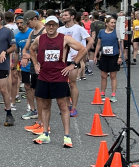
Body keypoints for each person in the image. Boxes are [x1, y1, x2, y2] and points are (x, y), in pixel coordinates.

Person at [30, 16, 86, 148]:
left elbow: (82, 49)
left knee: (63, 106)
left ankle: (67, 136)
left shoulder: (64, 38)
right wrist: (35, 64)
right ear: (45, 26)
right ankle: (45, 134)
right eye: (48, 25)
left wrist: (73, 64)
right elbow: (31, 49)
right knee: (45, 105)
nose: (50, 27)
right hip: (44, 76)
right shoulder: (40, 38)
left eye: (53, 25)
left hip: (59, 76)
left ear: (57, 26)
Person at [58, 8, 92, 117]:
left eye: (66, 15)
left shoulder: (78, 28)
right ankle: (67, 105)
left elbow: (91, 41)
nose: (63, 17)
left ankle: (74, 107)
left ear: (72, 16)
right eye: (63, 15)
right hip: (62, 60)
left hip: (74, 60)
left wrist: (81, 53)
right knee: (63, 84)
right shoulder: (60, 29)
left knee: (72, 83)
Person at [22, 11, 46, 133]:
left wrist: (30, 57)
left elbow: (44, 52)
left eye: (29, 22)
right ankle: (40, 122)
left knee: (42, 96)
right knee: (37, 94)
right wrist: (24, 56)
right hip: (34, 66)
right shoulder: (32, 32)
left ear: (35, 19)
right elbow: (26, 48)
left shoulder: (45, 31)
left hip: (42, 67)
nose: (28, 25)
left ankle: (43, 124)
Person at [95, 16, 123, 103]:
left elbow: (121, 45)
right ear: (106, 23)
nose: (113, 24)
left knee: (113, 76)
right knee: (103, 76)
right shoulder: (101, 32)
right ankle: (102, 93)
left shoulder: (117, 33)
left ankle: (113, 95)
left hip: (114, 56)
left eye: (114, 23)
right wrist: (95, 55)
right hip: (104, 56)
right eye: (111, 22)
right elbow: (99, 45)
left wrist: (120, 56)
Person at [15, 15, 36, 120]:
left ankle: (40, 109)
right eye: (17, 23)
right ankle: (31, 108)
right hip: (24, 65)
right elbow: (16, 52)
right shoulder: (17, 36)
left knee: (36, 88)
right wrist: (14, 66)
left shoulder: (33, 32)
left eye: (21, 23)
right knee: (27, 86)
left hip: (35, 63)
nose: (19, 25)